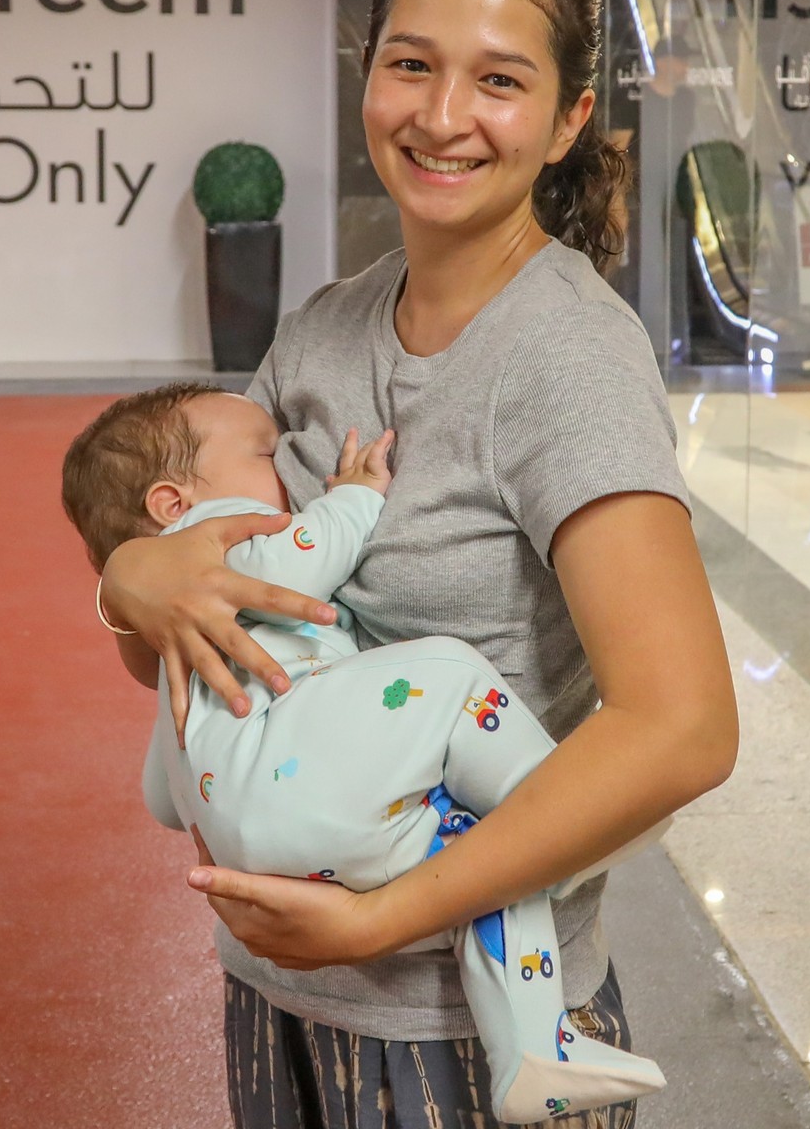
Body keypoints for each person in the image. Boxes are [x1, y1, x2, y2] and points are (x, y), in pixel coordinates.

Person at [97, 0, 739, 1129]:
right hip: (282, 993)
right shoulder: (325, 325)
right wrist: (132, 576)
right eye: (411, 65)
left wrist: (386, 919)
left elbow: (684, 727)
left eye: (499, 80)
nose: (442, 117)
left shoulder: (566, 364)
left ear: (566, 124)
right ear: (369, 78)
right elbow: (216, 623)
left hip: (467, 1031)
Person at [62, 385, 668, 1123]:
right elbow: (300, 562)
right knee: (448, 674)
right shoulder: (215, 537)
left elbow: (162, 796)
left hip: (260, 848)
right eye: (265, 452)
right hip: (300, 777)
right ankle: (561, 805)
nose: (287, 463)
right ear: (172, 502)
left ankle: (535, 1047)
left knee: (474, 854)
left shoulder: (175, 650)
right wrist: (351, 496)